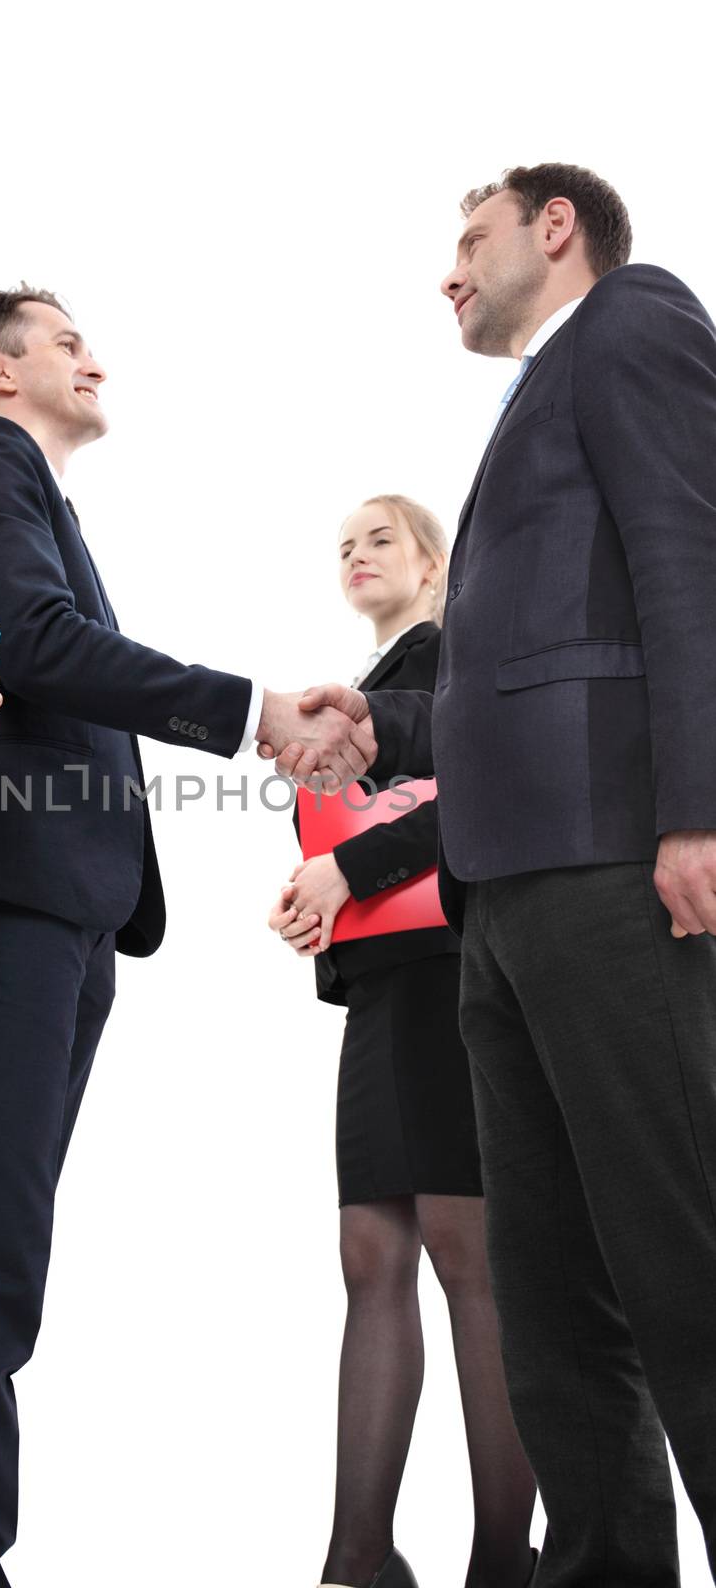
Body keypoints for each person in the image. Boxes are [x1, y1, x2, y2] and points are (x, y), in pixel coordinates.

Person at [0, 283, 372, 1588]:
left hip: (60, 908)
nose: (92, 357)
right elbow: (36, 641)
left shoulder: (36, 495)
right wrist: (248, 713)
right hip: (7, 897)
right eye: (65, 340)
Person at [266, 165, 716, 1584]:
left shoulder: (633, 320)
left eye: (466, 240)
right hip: (499, 905)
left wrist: (696, 811)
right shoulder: (526, 403)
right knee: (546, 1286)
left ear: (553, 227)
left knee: (677, 1255)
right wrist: (375, 719)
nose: (447, 271)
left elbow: (686, 563)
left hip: (605, 864)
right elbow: (508, 666)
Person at [268, 495, 537, 1588]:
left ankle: (497, 1561)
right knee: (370, 1252)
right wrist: (315, 903)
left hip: (446, 976)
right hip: (381, 988)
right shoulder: (369, 687)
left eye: (379, 537)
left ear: (432, 564)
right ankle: (357, 1558)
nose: (354, 555)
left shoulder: (454, 651)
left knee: (466, 1256)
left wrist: (346, 876)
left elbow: (483, 783)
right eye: (341, 545)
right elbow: (351, 833)